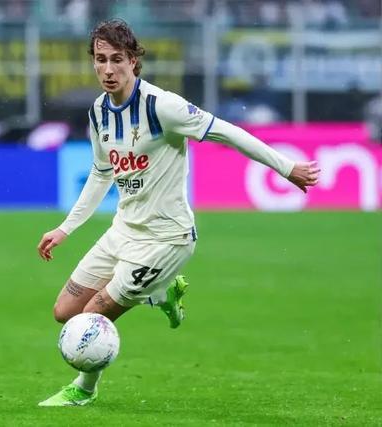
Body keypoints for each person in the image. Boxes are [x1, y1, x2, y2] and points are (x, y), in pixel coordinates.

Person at [36, 19, 320, 407]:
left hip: (166, 239)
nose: (108, 69)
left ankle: (84, 389)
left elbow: (227, 132)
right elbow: (101, 173)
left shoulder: (162, 106)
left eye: (117, 59)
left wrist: (286, 168)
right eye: (100, 60)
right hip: (124, 230)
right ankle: (160, 292)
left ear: (133, 60)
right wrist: (66, 228)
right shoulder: (99, 112)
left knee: (90, 316)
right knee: (64, 312)